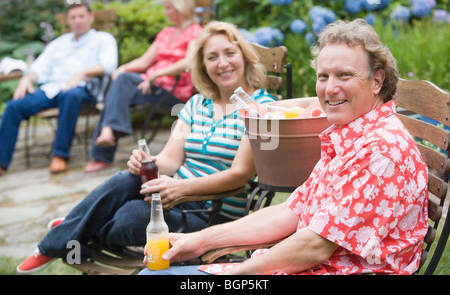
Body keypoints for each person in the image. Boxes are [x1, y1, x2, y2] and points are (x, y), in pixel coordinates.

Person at [139, 19, 429, 276]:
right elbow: (291, 211)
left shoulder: (378, 151)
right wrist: (197, 240)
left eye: (344, 75)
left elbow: (314, 247)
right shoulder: (350, 137)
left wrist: (237, 274)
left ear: (376, 81)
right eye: (323, 76)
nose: (329, 89)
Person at [16, 21, 277, 274]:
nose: (222, 63)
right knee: (126, 178)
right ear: (203, 65)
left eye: (230, 53)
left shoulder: (261, 109)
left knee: (131, 216)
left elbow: (239, 175)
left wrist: (180, 188)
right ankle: (64, 236)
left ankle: (73, 230)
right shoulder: (198, 104)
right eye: (212, 57)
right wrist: (146, 162)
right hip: (171, 200)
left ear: (243, 56)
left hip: (210, 215)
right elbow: (170, 161)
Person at [84, 0, 203, 173]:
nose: (165, 12)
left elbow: (189, 62)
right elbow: (145, 60)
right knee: (120, 83)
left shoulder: (196, 32)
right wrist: (123, 67)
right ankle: (107, 134)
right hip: (150, 87)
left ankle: (103, 150)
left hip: (173, 90)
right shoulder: (166, 33)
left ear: (182, 7)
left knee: (119, 87)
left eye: (168, 7)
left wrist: (159, 74)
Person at [0, 2, 118, 175]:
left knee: (70, 96)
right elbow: (39, 68)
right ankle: (1, 162)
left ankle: (60, 155)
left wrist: (82, 73)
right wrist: (27, 79)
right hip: (52, 89)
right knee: (14, 105)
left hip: (84, 89)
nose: (78, 21)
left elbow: (109, 65)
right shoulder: (58, 43)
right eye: (73, 17)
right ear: (68, 21)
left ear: (90, 17)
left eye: (81, 16)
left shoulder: (104, 39)